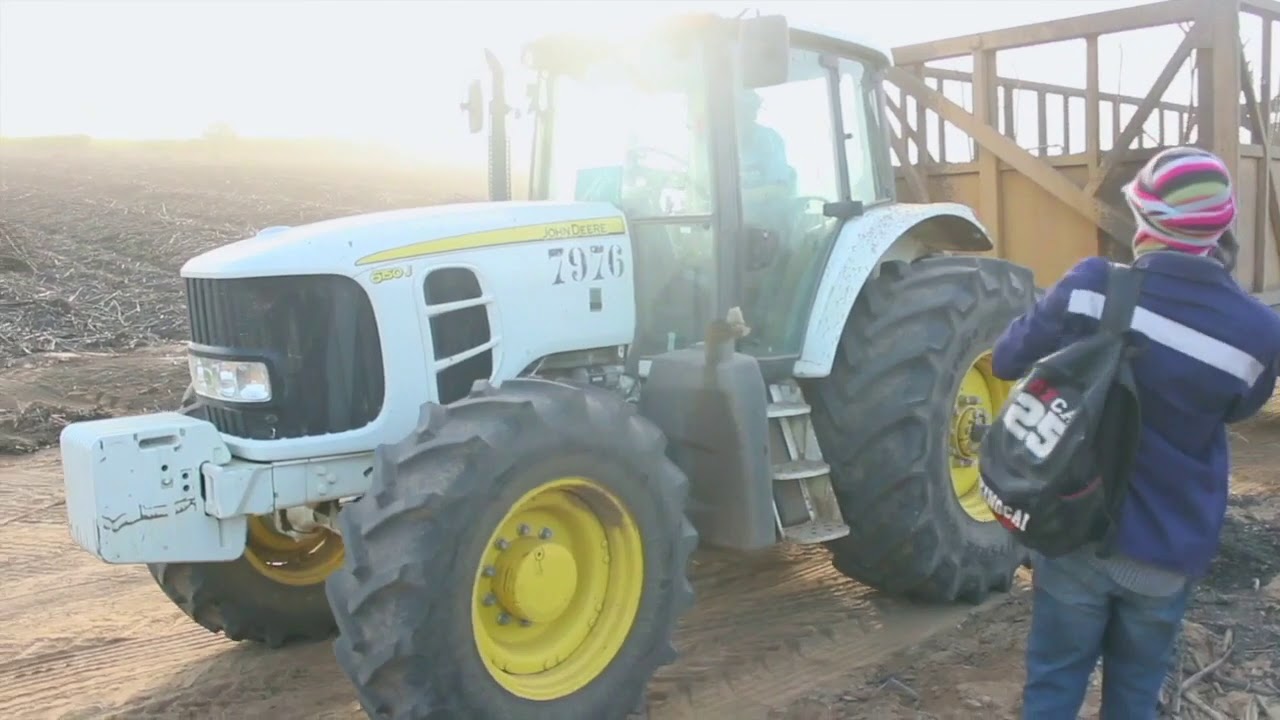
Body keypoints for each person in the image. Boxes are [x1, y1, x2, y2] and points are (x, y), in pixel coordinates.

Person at [989, 146, 1280, 720]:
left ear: (1142, 219)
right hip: (1170, 547)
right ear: (1223, 227)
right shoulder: (1260, 332)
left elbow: (1005, 359)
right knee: (1135, 693)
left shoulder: (1094, 285)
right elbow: (1235, 411)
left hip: (1076, 530)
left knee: (1053, 686)